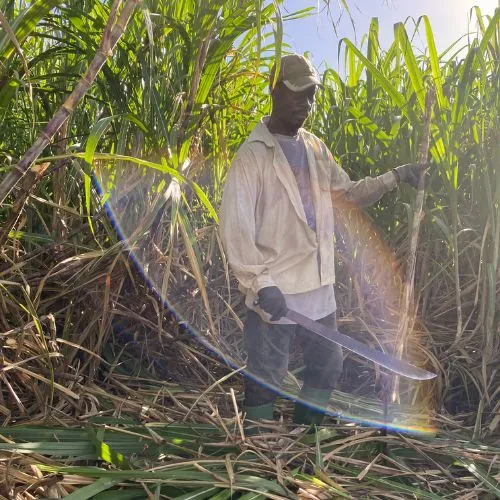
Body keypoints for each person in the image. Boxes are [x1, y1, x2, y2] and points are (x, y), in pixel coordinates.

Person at [219, 54, 427, 429]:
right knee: (267, 375)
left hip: (318, 286)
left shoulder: (315, 148)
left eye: (312, 96)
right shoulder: (253, 155)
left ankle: (306, 435)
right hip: (275, 290)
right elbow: (235, 226)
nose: (306, 104)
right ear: (276, 90)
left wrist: (397, 176)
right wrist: (261, 284)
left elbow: (346, 195)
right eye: (298, 94)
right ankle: (256, 453)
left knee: (328, 365)